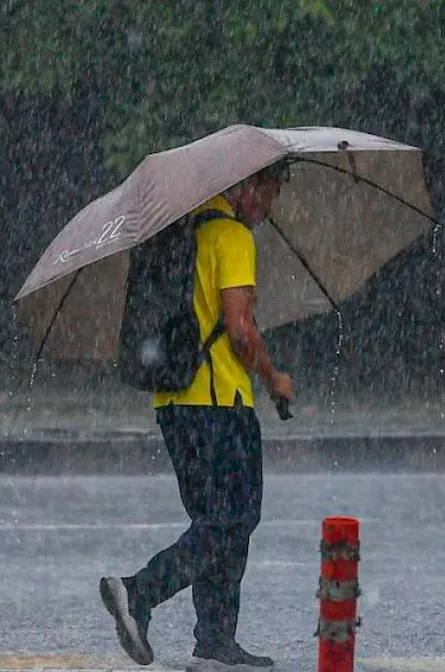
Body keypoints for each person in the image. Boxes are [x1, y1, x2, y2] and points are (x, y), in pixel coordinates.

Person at [99, 162, 294, 672]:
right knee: (234, 520)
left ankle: (215, 642)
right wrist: (273, 378)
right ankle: (139, 592)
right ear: (248, 186)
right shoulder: (231, 237)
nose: (268, 208)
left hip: (173, 403)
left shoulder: (175, 237)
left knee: (212, 521)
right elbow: (239, 329)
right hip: (220, 402)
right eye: (270, 193)